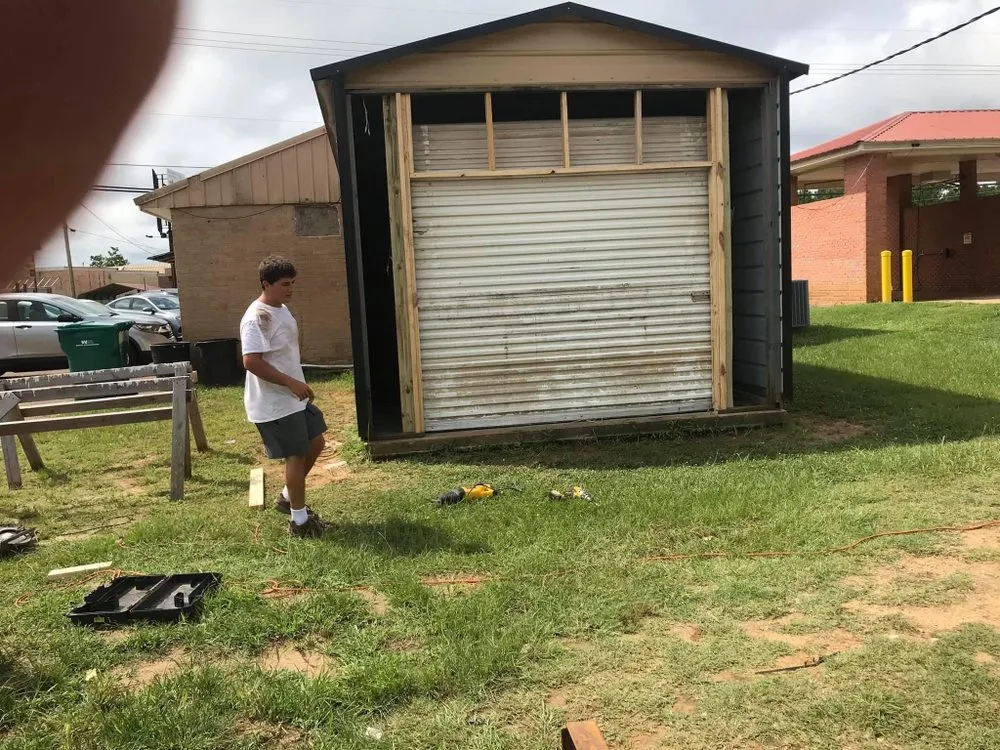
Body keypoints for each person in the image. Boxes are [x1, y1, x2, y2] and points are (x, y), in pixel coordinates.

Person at [240, 256, 329, 538]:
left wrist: (297, 384)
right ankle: (299, 522)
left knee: (316, 442)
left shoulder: (281, 309)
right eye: (284, 284)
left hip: (292, 397)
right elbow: (251, 361)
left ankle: (287, 497)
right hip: (274, 402)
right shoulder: (257, 317)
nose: (290, 289)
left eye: (292, 283)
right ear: (266, 284)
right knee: (296, 454)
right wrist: (291, 383)